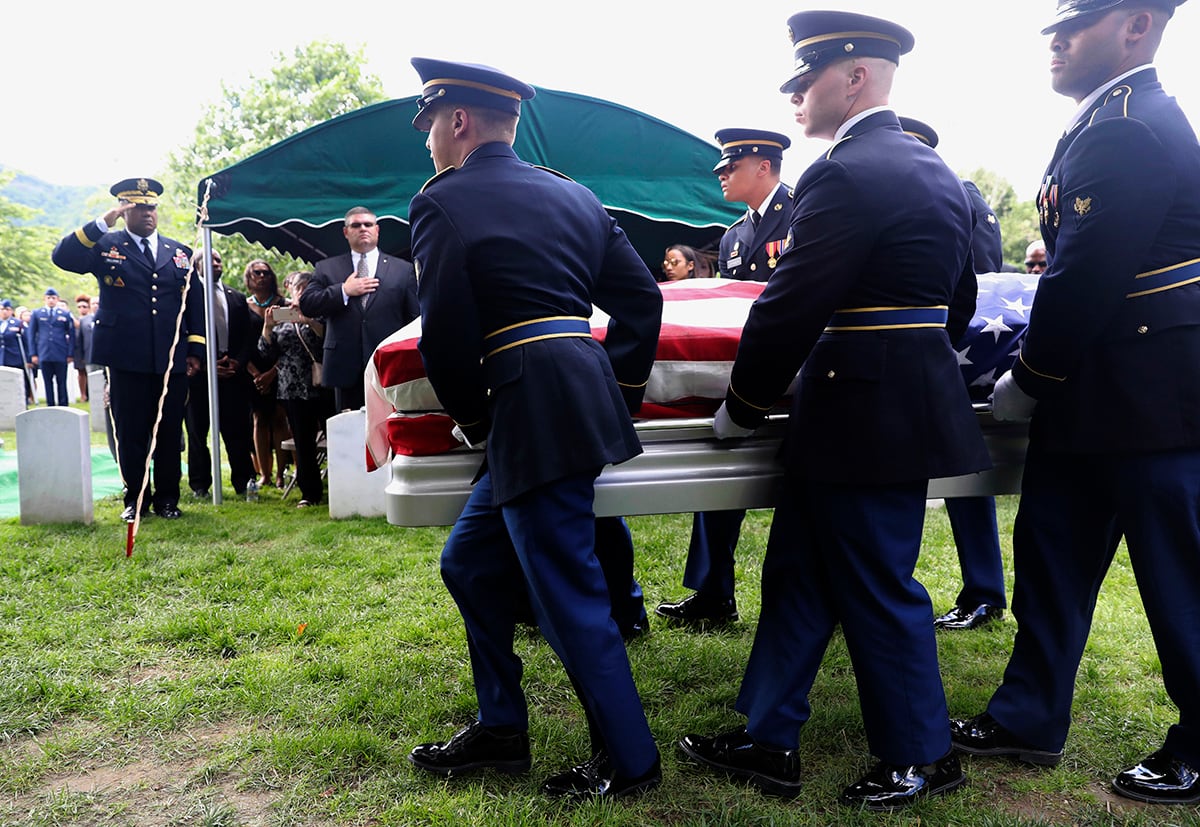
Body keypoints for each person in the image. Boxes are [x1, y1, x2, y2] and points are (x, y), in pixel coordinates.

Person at [677, 12, 989, 809]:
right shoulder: (934, 172)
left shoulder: (842, 173)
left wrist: (740, 405)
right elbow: (959, 301)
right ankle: (768, 734)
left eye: (806, 77)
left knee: (879, 583)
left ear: (855, 78)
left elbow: (791, 304)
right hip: (884, 399)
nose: (793, 94)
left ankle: (924, 754)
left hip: (859, 409)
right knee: (798, 574)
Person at [950, 0, 1200, 805]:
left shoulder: (1130, 123)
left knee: (1181, 580)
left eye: (1074, 26)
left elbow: (1083, 275)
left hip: (1156, 399)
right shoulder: (1106, 120)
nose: (1054, 41)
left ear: (1136, 26)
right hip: (1100, 392)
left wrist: (1026, 379)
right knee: (1051, 558)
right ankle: (1029, 712)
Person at [403, 57, 663, 800]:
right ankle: (501, 729)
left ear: (458, 122)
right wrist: (615, 389)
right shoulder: (574, 195)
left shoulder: (443, 202)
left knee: (567, 593)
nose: (427, 144)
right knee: (470, 562)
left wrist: (478, 418)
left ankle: (630, 760)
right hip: (569, 394)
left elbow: (445, 339)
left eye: (431, 128)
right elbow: (642, 301)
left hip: (526, 409)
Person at [656, 128, 793, 630]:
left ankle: (817, 595)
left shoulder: (804, 213)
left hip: (796, 372)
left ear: (764, 165)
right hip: (738, 377)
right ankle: (714, 594)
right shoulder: (734, 236)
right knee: (717, 483)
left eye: (730, 166)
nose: (721, 175)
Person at [899, 116, 1009, 632]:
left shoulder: (958, 193)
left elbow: (982, 275)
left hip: (954, 352)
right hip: (903, 353)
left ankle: (984, 592)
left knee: (966, 476)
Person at [51, 177, 205, 521]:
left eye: (151, 207)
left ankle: (168, 499)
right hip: (125, 356)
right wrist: (102, 222)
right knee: (131, 431)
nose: (147, 213)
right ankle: (136, 499)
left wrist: (194, 350)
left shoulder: (179, 252)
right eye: (137, 207)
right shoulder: (106, 244)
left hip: (169, 359)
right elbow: (63, 256)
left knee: (168, 431)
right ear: (123, 210)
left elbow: (194, 305)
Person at [298, 207, 420, 414]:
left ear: (377, 230)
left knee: (388, 430)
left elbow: (414, 318)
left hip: (388, 364)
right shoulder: (327, 267)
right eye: (356, 225)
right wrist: (343, 290)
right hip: (344, 368)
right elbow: (307, 304)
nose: (362, 229)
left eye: (368, 224)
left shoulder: (403, 269)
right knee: (348, 434)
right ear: (346, 232)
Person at [184, 248, 258, 499]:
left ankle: (244, 482)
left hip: (232, 375)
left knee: (237, 430)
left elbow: (249, 336)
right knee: (197, 432)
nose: (216, 263)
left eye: (219, 259)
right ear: (196, 265)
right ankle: (200, 485)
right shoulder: (187, 296)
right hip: (199, 376)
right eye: (210, 259)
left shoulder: (236, 297)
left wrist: (237, 362)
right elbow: (183, 334)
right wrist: (206, 364)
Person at [258, 271, 327, 507]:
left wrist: (309, 320)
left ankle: (343, 483)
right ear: (289, 288)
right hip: (292, 389)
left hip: (322, 385)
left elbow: (327, 343)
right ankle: (310, 493)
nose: (301, 292)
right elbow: (266, 354)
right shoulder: (281, 314)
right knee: (303, 441)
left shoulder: (321, 311)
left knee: (335, 437)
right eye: (298, 288)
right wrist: (267, 327)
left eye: (307, 288)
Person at [242, 260, 291, 489]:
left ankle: (281, 474)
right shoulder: (243, 306)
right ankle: (265, 474)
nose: (261, 276)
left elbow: (291, 342)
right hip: (253, 371)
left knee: (280, 419)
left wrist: (273, 372)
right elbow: (240, 343)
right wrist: (255, 373)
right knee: (259, 420)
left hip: (280, 368)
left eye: (265, 272)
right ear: (249, 278)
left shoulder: (284, 305)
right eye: (256, 273)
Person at [28, 287, 75, 406]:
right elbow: (31, 335)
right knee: (47, 382)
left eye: (53, 298)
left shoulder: (65, 314)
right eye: (48, 298)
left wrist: (70, 353)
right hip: (44, 352)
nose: (51, 300)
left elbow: (72, 335)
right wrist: (33, 353)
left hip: (60, 352)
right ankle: (50, 405)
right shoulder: (37, 313)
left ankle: (63, 405)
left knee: (61, 382)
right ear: (44, 299)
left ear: (58, 299)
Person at [0, 299, 33, 406]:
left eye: (7, 309)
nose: (4, 311)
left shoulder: (18, 324)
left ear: (11, 311)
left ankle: (23, 402)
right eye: (2, 309)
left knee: (19, 383)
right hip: (2, 357)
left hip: (15, 358)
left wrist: (28, 359)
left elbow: (26, 342)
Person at [74, 294, 93, 402]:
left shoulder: (90, 319)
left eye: (84, 306)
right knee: (81, 372)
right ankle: (83, 395)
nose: (82, 309)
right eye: (79, 307)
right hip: (78, 349)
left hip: (88, 348)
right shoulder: (75, 320)